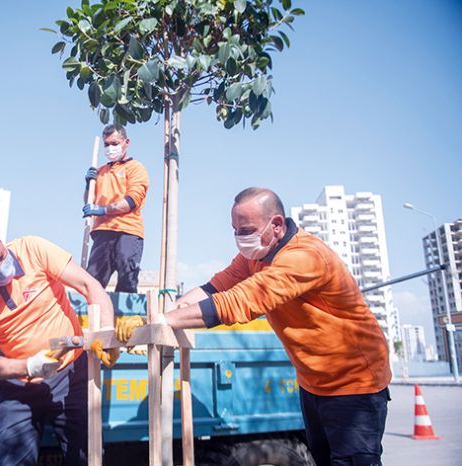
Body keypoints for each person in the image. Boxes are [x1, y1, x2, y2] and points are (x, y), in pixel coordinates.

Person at [116, 187, 392, 466]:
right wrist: (161, 315)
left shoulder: (305, 257)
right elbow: (216, 287)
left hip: (355, 383)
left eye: (246, 229)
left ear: (277, 225)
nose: (240, 238)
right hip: (314, 383)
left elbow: (241, 301)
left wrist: (164, 321)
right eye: (235, 229)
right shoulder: (255, 257)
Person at [0, 220, 118, 466]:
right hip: (21, 384)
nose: (0, 267)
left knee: (87, 455)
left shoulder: (33, 249)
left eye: (1, 256)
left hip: (72, 374)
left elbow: (89, 285)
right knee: (9, 459)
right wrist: (28, 367)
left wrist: (105, 333)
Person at [83, 124, 149, 293]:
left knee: (127, 280)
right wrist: (87, 186)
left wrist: (102, 210)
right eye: (107, 144)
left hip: (127, 231)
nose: (110, 148)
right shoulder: (100, 172)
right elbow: (89, 202)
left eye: (115, 143)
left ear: (126, 142)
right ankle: (92, 318)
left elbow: (131, 201)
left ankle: (127, 319)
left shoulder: (135, 168)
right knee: (92, 283)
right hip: (102, 233)